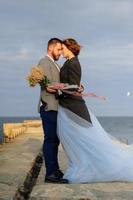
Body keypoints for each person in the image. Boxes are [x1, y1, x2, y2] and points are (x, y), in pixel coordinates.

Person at [56, 38, 133, 183]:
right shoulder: (68, 62)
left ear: (69, 48)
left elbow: (73, 86)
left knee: (85, 139)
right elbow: (75, 85)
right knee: (76, 139)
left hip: (72, 106)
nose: (61, 52)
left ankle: (87, 166)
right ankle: (80, 163)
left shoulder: (74, 63)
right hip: (67, 105)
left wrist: (57, 90)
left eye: (62, 49)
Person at [38, 38, 68, 183]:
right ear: (50, 48)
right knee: (50, 140)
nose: (60, 53)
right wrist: (66, 86)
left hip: (55, 107)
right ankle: (50, 173)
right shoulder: (44, 62)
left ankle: (55, 170)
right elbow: (49, 85)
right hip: (49, 106)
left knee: (54, 140)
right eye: (58, 50)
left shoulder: (54, 64)